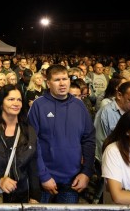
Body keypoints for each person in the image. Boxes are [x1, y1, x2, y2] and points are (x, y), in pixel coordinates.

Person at [28, 64, 95, 203]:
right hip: (45, 180)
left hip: (73, 180)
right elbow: (31, 142)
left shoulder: (79, 105)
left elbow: (88, 139)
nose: (62, 83)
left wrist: (86, 172)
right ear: (48, 83)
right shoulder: (38, 105)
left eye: (65, 79)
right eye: (57, 80)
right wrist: (43, 175)